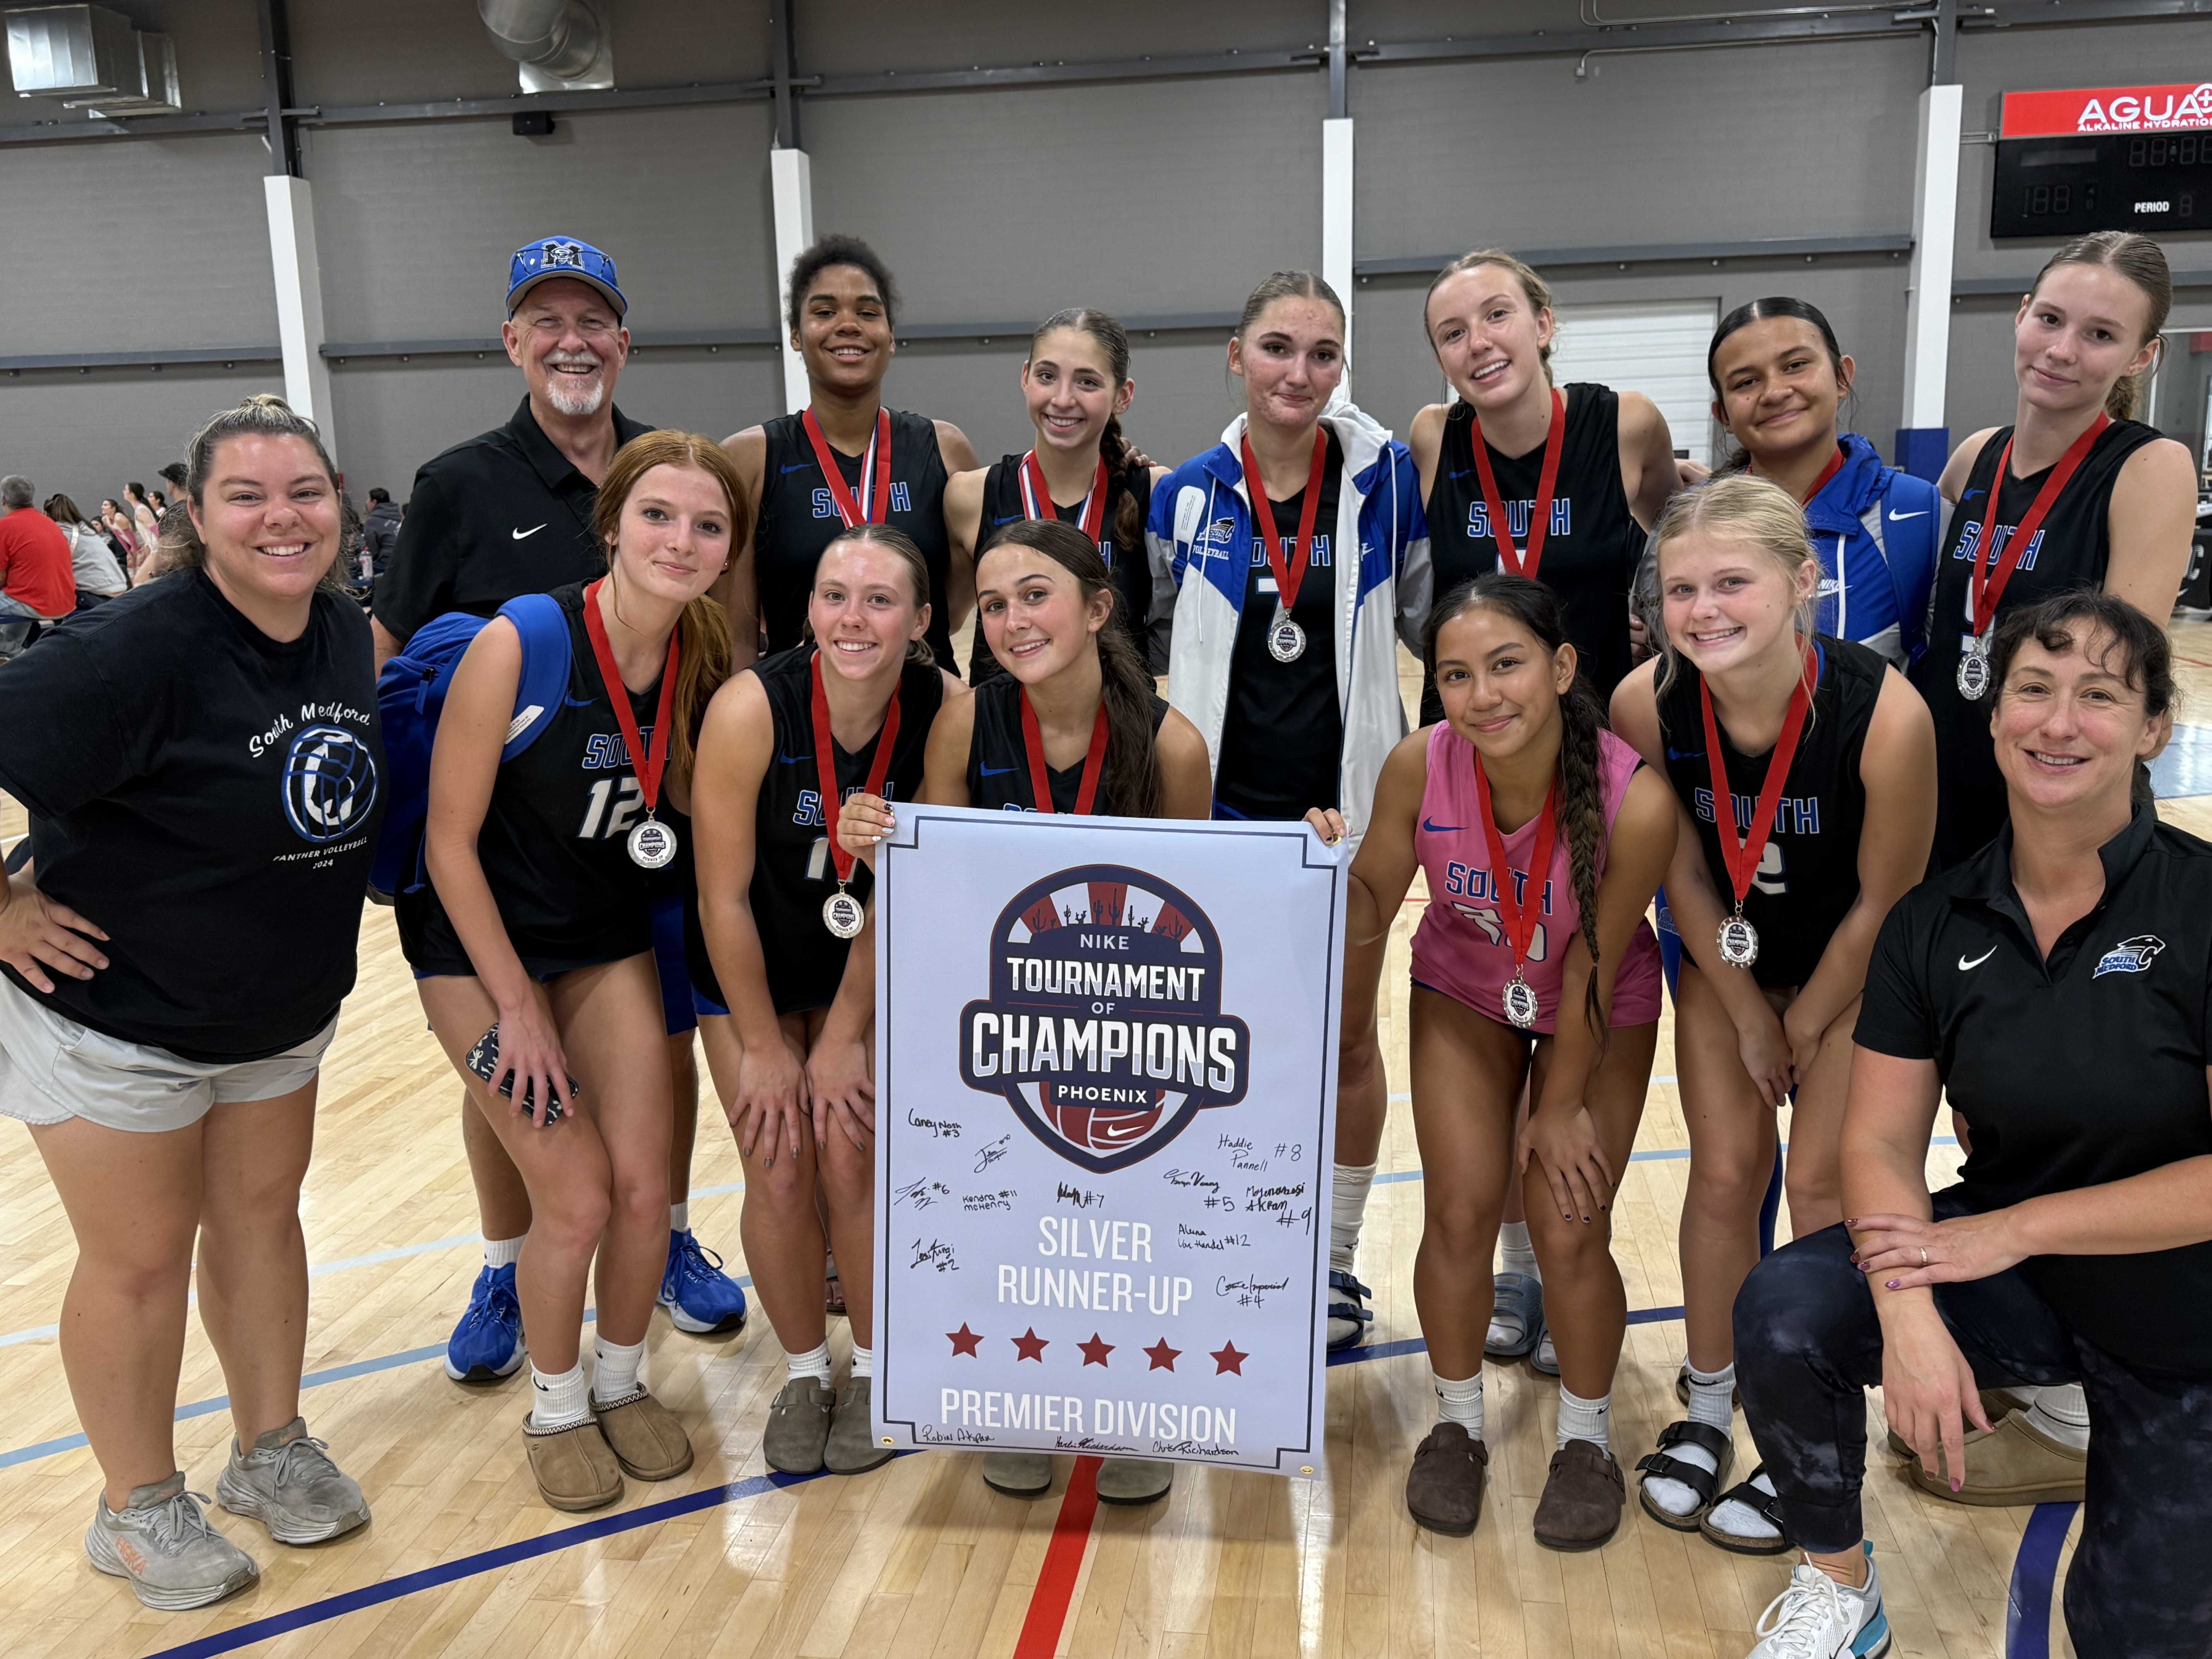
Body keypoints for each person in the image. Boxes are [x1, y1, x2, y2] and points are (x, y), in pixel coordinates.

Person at [1732, 590, 2212, 1659]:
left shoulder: (2200, 906)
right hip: (2015, 1274)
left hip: (2188, 1312)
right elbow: (1877, 1145)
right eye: (2032, 690)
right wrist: (1906, 1312)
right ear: (1992, 717)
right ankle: (1840, 1591)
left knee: (2136, 1633)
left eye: (2097, 695)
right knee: (1791, 1304)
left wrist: (2014, 1227)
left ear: (2152, 730)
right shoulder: (1934, 921)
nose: (2056, 722)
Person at [0, 395, 381, 1609]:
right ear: (197, 517)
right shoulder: (134, 647)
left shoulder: (335, 630)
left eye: (305, 492)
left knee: (264, 1225)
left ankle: (268, 1450)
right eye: (249, 496)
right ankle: (135, 1507)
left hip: (273, 1017)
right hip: (119, 1021)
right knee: (139, 1263)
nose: (284, 516)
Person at [374, 235, 746, 1379]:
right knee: (515, 1086)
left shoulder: (672, 471)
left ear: (623, 343)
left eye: (593, 322)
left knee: (656, 1057)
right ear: (514, 343)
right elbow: (388, 653)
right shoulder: (458, 485)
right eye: (547, 321)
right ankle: (507, 1260)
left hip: (623, 863)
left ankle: (670, 1239)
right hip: (491, 870)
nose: (572, 340)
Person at [838, 516, 1212, 1506]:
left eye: (1035, 595)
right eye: (993, 603)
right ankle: (1017, 1397)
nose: (1011, 620)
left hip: (1128, 1033)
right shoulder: (966, 722)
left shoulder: (1174, 746)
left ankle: (1133, 1405)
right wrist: (879, 843)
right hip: (1001, 1019)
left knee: (1127, 1219)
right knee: (1009, 1216)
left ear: (1097, 609)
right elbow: (934, 884)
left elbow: (1203, 914)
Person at [400, 429, 736, 1512]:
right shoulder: (524, 640)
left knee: (649, 1190)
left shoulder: (706, 658)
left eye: (707, 524)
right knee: (580, 1195)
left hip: (601, 934)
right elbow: (448, 844)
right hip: (473, 943)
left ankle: (623, 1380)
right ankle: (554, 1404)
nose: (679, 541)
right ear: (611, 525)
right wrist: (517, 1009)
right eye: (657, 515)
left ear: (730, 550)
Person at [1309, 574, 1673, 1547]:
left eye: (1507, 665)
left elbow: (1595, 966)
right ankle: (1456, 1423)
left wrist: (1559, 1108)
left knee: (1565, 1227)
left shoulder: (1634, 802)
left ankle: (1587, 1442)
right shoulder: (1416, 767)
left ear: (1560, 668)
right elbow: (1376, 907)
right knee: (1462, 1211)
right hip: (1467, 992)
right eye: (1457, 674)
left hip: (1595, 1009)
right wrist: (1321, 874)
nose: (1484, 695)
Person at [1611, 475, 1935, 1552]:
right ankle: (1709, 1405)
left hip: (1856, 964)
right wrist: (1750, 1010)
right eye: (1682, 587)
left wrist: (1806, 1020)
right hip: (1726, 961)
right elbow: (1686, 874)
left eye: (1733, 582)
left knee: (1820, 1186)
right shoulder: (1643, 701)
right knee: (1723, 1171)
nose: (1703, 609)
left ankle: (1807, 1435)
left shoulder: (1885, 713)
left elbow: (1890, 898)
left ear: (1804, 581)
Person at [1145, 270, 1429, 1357]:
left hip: (1347, 818)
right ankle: (1228, 1241)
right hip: (1220, 822)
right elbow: (1164, 642)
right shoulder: (1187, 494)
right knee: (1223, 1045)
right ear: (1235, 356)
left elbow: (1424, 619)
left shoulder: (1385, 482)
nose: (1298, 372)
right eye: (1276, 347)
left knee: (1349, 1039)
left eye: (1322, 352)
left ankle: (1335, 1261)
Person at [1410, 250, 1680, 1370]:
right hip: (1490, 753)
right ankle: (1511, 1279)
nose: (1479, 342)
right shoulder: (1434, 442)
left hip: (1594, 760)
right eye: (1452, 330)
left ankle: (1546, 1280)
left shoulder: (1627, 426)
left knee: (1581, 966)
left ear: (1544, 321)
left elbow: (1670, 546)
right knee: (1497, 974)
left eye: (1497, 315)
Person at [688, 525, 961, 1478]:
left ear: (922, 619)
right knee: (776, 1156)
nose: (854, 618)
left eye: (881, 600)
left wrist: (847, 1034)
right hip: (752, 967)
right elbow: (718, 897)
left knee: (850, 1153)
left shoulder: (946, 710)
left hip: (867, 968)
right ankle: (806, 1372)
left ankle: (884, 1373)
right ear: (805, 609)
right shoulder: (748, 708)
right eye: (834, 595)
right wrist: (763, 1048)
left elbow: (910, 893)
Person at [1923, 231, 2196, 873]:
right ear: (2022, 314)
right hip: (1943, 788)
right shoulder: (1974, 457)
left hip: (2056, 804)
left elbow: (2114, 671)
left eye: (2100, 335)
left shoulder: (2149, 468)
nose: (2061, 350)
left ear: (2142, 355)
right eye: (2049, 319)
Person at [723, 234, 981, 669]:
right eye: (825, 312)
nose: (848, 324)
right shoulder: (750, 460)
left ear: (891, 337)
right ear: (796, 337)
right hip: (801, 720)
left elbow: (955, 602)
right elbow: (737, 636)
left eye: (867, 312)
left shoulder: (945, 449)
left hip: (927, 714)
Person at [1704, 297, 1942, 672]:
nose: (1775, 393)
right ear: (1724, 416)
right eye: (1747, 382)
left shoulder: (1922, 515)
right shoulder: (1688, 526)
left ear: (1842, 376)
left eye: (1796, 366)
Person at [943, 308, 1165, 681]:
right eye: (1047, 376)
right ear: (1026, 378)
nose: (1063, 399)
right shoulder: (970, 496)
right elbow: (945, 621)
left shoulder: (1156, 493)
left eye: (1088, 383)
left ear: (1123, 396)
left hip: (1120, 730)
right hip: (1002, 730)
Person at [0, 475, 79, 657]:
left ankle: (23, 656)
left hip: (35, 602)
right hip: (64, 600)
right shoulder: (50, 524)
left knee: (16, 597)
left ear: (4, 499)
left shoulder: (5, 526)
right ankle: (13, 658)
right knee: (17, 599)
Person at [45, 494, 130, 608]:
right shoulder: (87, 531)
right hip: (118, 592)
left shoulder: (60, 534)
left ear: (47, 514)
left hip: (94, 596)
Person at [360, 486, 402, 585]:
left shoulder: (373, 521)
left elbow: (372, 549)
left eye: (368, 499)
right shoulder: (399, 514)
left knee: (358, 568)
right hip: (404, 560)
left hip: (387, 562)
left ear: (374, 502)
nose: (367, 502)